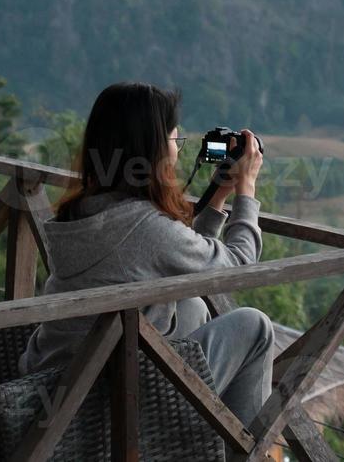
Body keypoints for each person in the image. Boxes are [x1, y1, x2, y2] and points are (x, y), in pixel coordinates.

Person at [19, 82, 272, 426]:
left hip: (54, 385)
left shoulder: (81, 211)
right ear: (152, 150)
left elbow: (176, 256)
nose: (178, 152)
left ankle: (198, 443)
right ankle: (231, 447)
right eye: (174, 141)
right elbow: (239, 268)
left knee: (189, 306)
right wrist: (247, 189)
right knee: (255, 327)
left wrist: (218, 196)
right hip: (108, 410)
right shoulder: (146, 226)